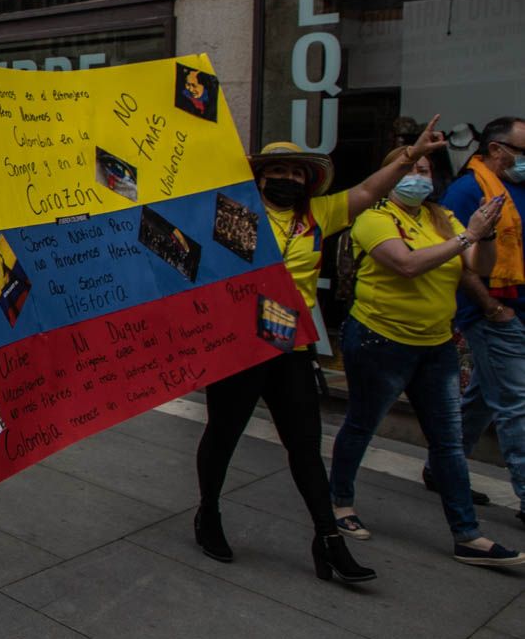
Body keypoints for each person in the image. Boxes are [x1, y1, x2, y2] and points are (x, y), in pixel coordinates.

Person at [194, 131, 456, 581]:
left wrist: (409, 157)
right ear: (258, 178)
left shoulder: (318, 214)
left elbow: (370, 191)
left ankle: (328, 540)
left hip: (292, 349)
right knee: (224, 434)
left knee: (305, 446)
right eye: (278, 172)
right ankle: (208, 514)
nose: (288, 178)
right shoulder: (234, 213)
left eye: (297, 173)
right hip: (239, 349)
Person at [327, 147, 520, 566]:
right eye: (410, 168)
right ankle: (340, 503)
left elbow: (479, 267)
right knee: (361, 425)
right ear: (390, 173)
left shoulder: (440, 218)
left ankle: (467, 535)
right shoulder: (373, 217)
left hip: (436, 345)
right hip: (380, 341)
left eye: (425, 170)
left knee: (448, 443)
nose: (419, 176)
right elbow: (407, 265)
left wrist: (483, 235)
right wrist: (467, 236)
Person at [442, 116, 525, 527]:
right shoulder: (466, 190)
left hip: (517, 310)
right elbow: (455, 255)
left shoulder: (516, 187)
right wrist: (492, 306)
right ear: (498, 149)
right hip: (493, 313)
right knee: (516, 403)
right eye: (522, 151)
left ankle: (443, 467)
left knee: (481, 398)